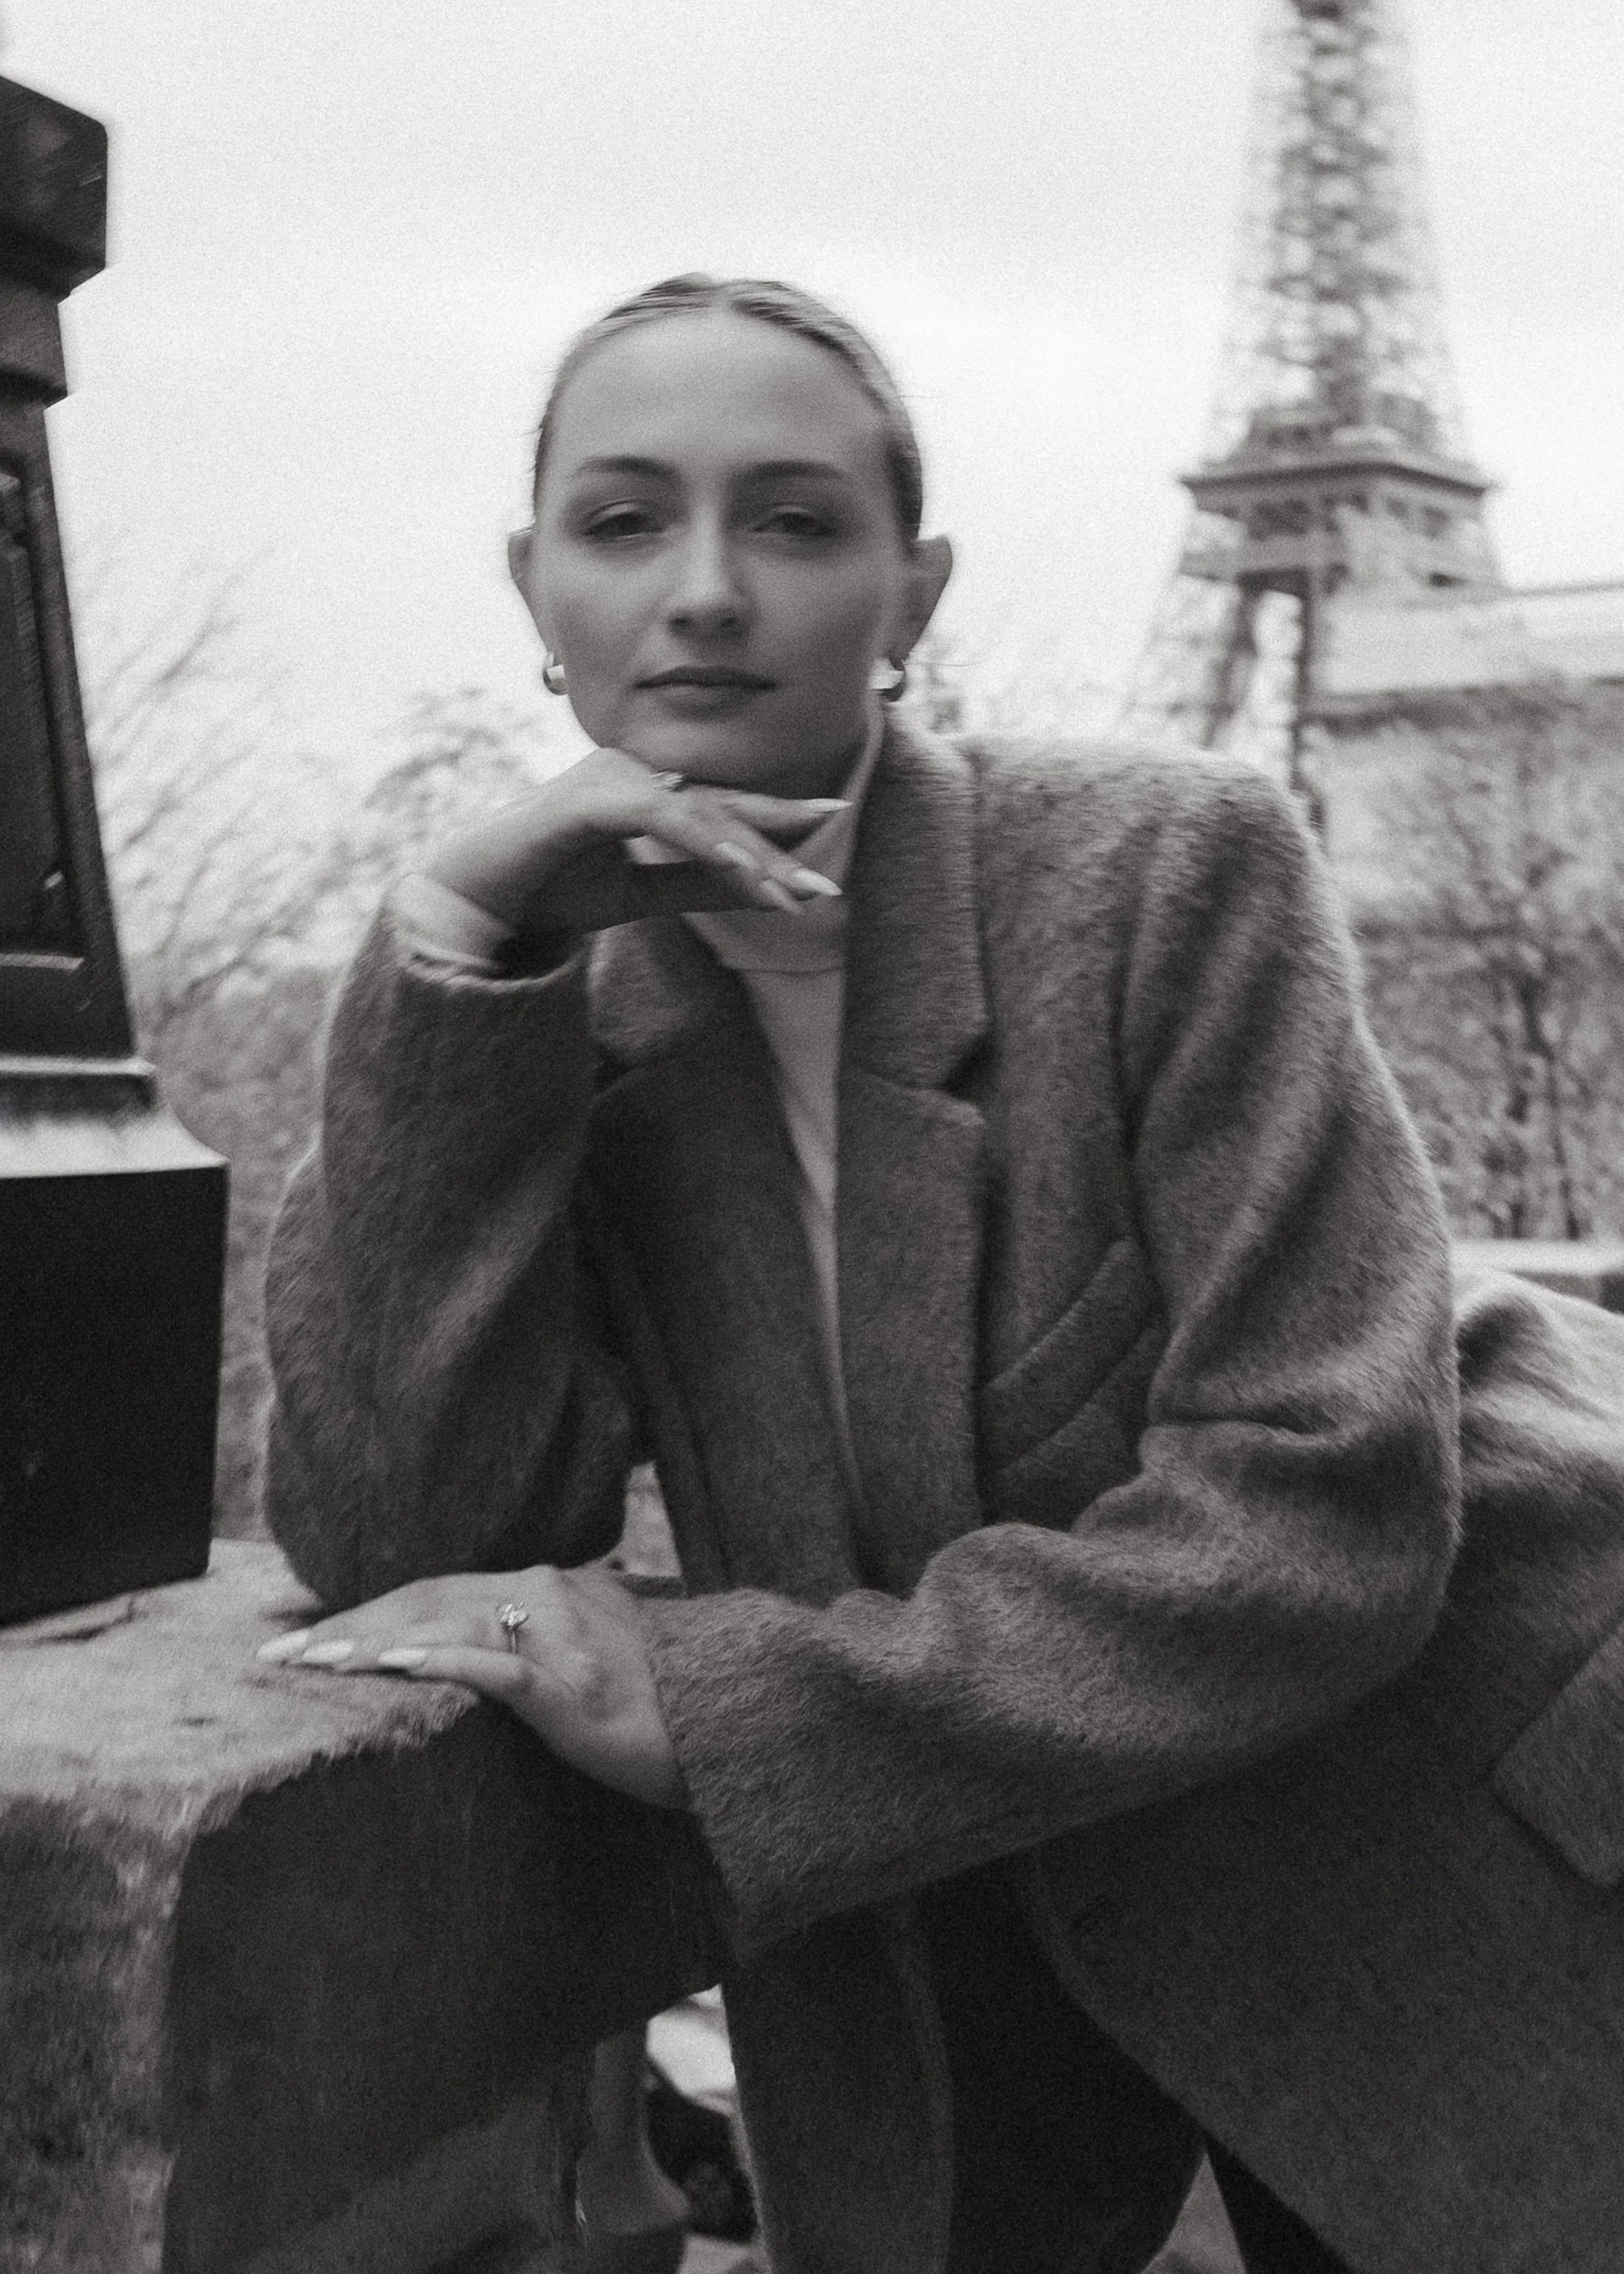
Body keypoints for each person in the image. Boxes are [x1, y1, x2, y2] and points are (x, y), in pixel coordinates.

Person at [259, 274, 1624, 2274]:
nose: (706, 590)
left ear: (915, 590)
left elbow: (1319, 1510)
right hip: (979, 1898)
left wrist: (735, 1709)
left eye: (797, 522)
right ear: (529, 584)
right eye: (624, 520)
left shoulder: (1160, 869)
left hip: (1437, 1822)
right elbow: (402, 1523)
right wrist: (458, 948)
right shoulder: (575, 1004)